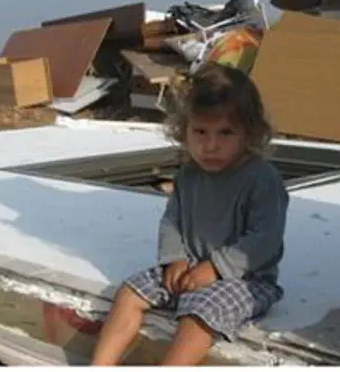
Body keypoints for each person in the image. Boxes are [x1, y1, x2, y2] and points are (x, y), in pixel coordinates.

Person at [91, 63, 290, 366]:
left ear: (248, 133)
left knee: (199, 313)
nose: (210, 145)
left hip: (246, 279)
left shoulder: (261, 179)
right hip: (191, 268)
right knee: (129, 293)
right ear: (184, 129)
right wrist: (175, 258)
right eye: (200, 131)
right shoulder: (189, 176)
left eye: (225, 133)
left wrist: (216, 269)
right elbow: (172, 222)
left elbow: (264, 240)